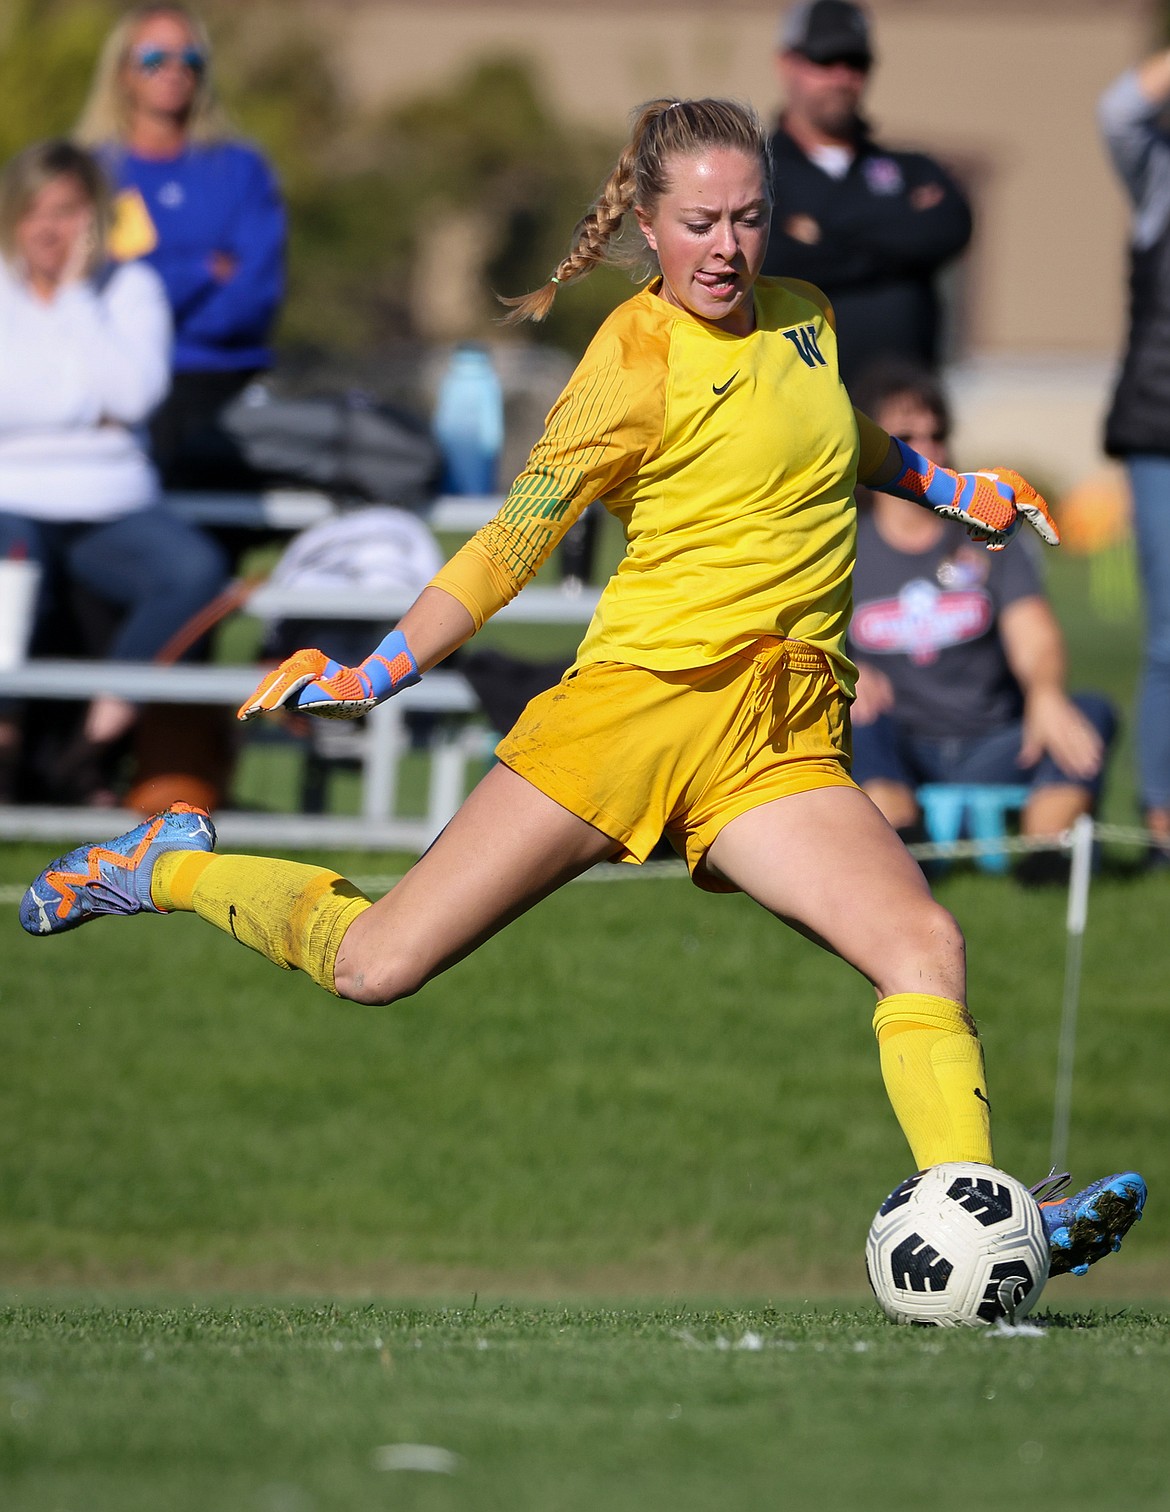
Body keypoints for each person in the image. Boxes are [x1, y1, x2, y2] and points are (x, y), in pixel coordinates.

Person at [21, 99, 1144, 1283]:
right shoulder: (630, 363)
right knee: (376, 965)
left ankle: (989, 1210)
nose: (727, 247)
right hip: (629, 719)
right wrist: (376, 672)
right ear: (648, 226)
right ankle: (165, 866)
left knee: (924, 945)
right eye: (700, 222)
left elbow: (840, 437)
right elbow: (507, 545)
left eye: (749, 219)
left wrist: (948, 485)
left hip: (772, 739)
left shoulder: (805, 320)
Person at [0, 138, 228, 804]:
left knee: (191, 570)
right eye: (35, 211)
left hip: (115, 499)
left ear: (94, 217)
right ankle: (7, 754)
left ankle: (90, 750)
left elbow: (134, 396)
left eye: (67, 210)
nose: (50, 228)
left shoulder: (130, 288)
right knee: (10, 571)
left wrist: (75, 299)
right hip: (12, 496)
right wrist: (82, 408)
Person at [848, 362, 1117, 869]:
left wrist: (1046, 694)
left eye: (938, 434)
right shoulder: (841, 545)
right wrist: (846, 668)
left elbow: (1034, 636)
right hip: (898, 742)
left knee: (1090, 710)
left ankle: (1048, 851)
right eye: (905, 437)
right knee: (847, 712)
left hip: (995, 743)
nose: (929, 450)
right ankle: (898, 838)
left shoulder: (989, 534)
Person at [73, 3, 286, 488]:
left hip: (221, 382)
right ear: (122, 71)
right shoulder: (90, 174)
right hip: (116, 386)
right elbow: (84, 295)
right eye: (154, 58)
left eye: (189, 59)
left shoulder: (241, 169)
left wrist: (147, 290)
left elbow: (251, 302)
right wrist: (203, 271)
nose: (174, 71)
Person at [761, 0, 972, 388]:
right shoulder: (758, 171)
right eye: (826, 60)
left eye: (856, 63)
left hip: (906, 415)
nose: (843, 77)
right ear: (786, 64)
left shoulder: (913, 169)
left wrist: (823, 232)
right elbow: (772, 259)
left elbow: (950, 226)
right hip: (796, 409)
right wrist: (896, 237)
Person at [1099, 51, 1170, 864]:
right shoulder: (1159, 175)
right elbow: (1118, 110)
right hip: (1160, 431)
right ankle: (1159, 820)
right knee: (1168, 639)